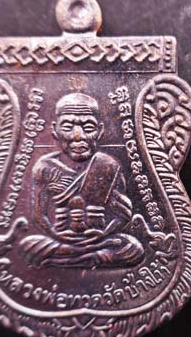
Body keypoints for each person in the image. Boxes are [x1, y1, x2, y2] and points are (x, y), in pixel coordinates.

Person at [20, 93, 158, 268]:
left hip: (99, 239)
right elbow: (39, 215)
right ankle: (87, 258)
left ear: (100, 131)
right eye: (68, 126)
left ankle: (68, 260)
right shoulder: (45, 166)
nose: (78, 136)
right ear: (55, 130)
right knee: (28, 246)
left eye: (88, 127)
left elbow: (123, 215)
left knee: (132, 248)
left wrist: (103, 234)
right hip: (61, 239)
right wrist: (56, 234)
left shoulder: (108, 165)